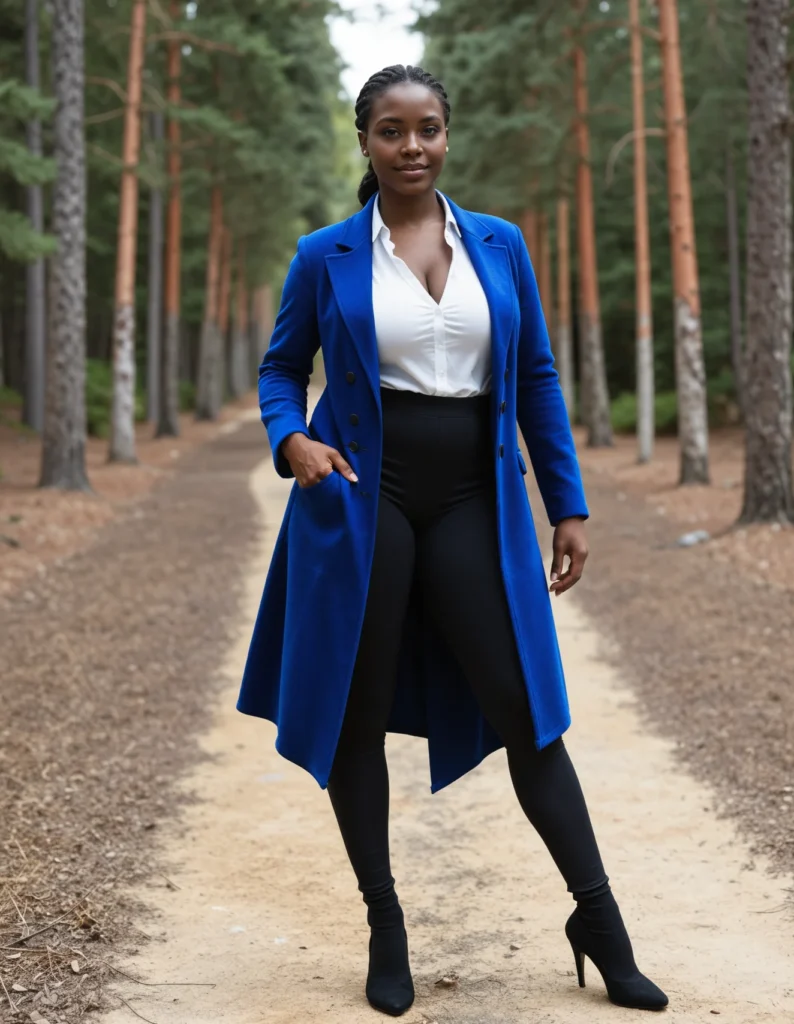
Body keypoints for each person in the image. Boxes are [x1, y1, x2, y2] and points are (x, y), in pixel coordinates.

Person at [238, 64, 668, 1017]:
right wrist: (292, 439)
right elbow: (279, 370)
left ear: (446, 134)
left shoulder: (501, 245)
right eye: (391, 131)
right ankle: (385, 923)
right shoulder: (326, 255)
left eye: (427, 129)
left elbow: (541, 379)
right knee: (358, 703)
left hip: (479, 492)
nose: (412, 147)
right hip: (362, 493)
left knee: (529, 712)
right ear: (365, 142)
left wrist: (569, 502)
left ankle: (600, 920)